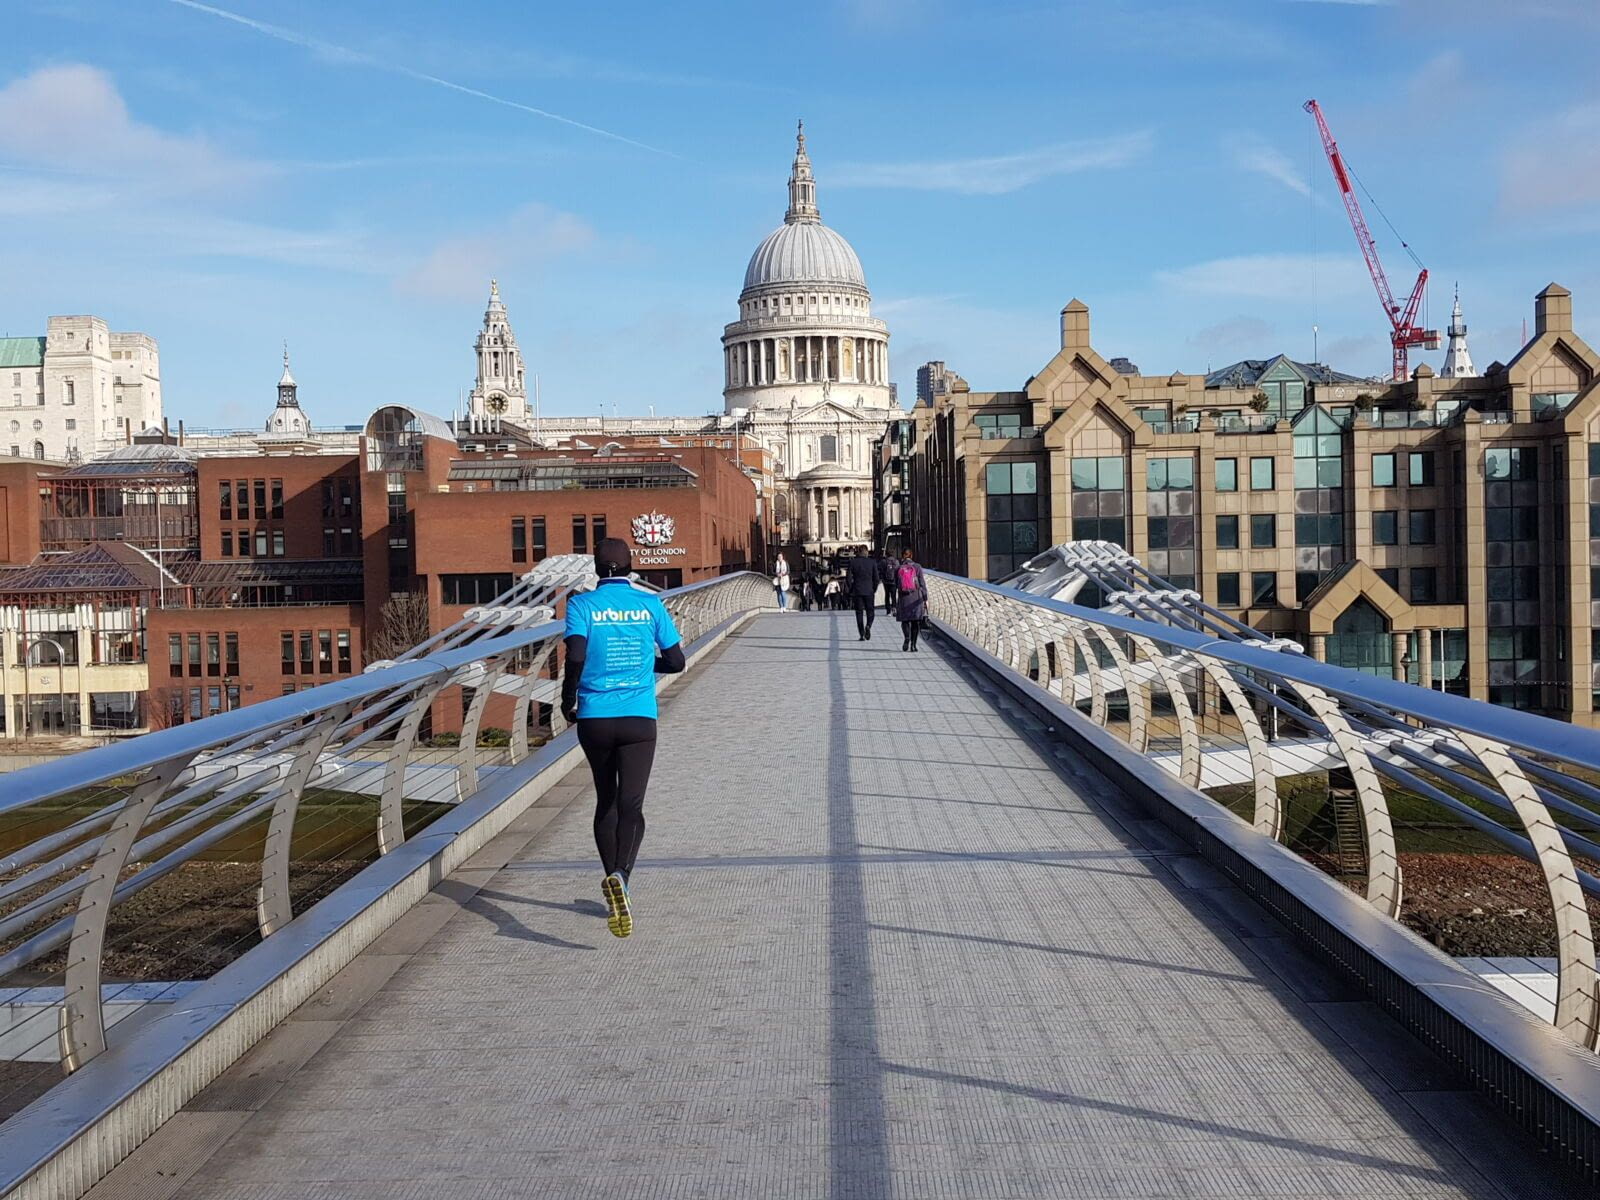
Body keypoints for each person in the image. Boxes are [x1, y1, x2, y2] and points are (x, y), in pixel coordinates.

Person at [561, 538, 684, 938]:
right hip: (638, 717)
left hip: (594, 717)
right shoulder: (650, 604)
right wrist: (647, 664)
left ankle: (611, 875)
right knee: (632, 805)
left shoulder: (580, 605)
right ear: (631, 567)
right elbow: (677, 661)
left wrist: (568, 700)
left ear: (597, 569)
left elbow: (575, 657)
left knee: (606, 800)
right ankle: (622, 877)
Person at [895, 547, 928, 652]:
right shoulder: (917, 567)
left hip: (903, 597)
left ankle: (907, 638)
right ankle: (913, 645)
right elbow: (922, 584)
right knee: (915, 622)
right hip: (915, 597)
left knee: (905, 620)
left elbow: (896, 584)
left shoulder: (898, 568)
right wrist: (925, 598)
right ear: (911, 555)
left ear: (902, 555)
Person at [847, 545, 879, 641]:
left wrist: (851, 588)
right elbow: (876, 578)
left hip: (857, 590)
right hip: (869, 590)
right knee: (870, 611)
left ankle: (861, 634)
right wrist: (874, 588)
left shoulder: (853, 562)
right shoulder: (872, 562)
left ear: (858, 552)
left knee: (859, 612)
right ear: (866, 552)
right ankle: (868, 625)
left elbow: (848, 578)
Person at [878, 548, 899, 615]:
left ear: (886, 554)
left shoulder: (883, 561)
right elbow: (898, 571)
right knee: (893, 595)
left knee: (887, 595)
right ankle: (894, 608)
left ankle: (888, 610)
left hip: (886, 581)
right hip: (894, 581)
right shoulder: (896, 561)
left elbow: (879, 569)